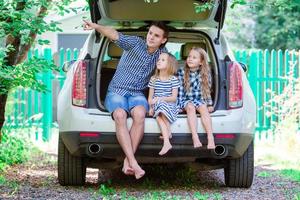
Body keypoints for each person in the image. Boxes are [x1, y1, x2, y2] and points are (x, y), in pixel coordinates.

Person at [83, 20, 169, 179]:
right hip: (117, 91)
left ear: (163, 40)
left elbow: (170, 72)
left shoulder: (162, 56)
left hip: (137, 93)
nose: (151, 37)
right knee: (120, 116)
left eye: (156, 35)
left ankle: (127, 162)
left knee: (140, 115)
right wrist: (96, 27)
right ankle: (132, 162)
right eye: (150, 33)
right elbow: (114, 34)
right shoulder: (135, 43)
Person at [177, 47, 216, 149]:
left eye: (194, 57)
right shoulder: (182, 71)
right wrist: (179, 105)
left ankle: (210, 137)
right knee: (190, 108)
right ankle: (195, 137)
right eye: (189, 56)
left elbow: (206, 90)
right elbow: (180, 90)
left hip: (199, 99)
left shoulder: (205, 73)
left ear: (201, 62)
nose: (190, 59)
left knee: (203, 108)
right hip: (186, 99)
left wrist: (209, 104)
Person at [148, 53, 180, 156]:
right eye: (159, 59)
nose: (159, 61)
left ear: (170, 64)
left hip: (170, 105)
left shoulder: (173, 79)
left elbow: (174, 98)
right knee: (158, 112)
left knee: (158, 116)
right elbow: (150, 98)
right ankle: (167, 138)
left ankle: (167, 141)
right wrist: (150, 107)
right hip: (157, 106)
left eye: (162, 60)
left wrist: (160, 99)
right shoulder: (154, 79)